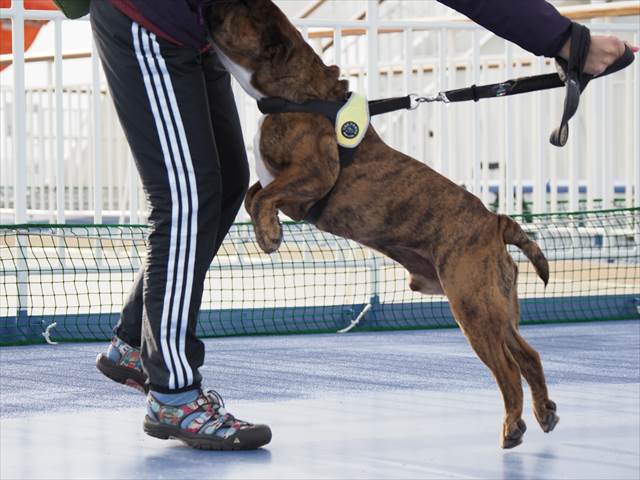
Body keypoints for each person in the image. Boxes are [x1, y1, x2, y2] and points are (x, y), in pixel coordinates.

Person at [82, 0, 636, 451]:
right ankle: (174, 393)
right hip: (152, 14)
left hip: (195, 27)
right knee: (187, 196)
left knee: (223, 186)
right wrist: (563, 39)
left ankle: (135, 342)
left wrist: (563, 39)